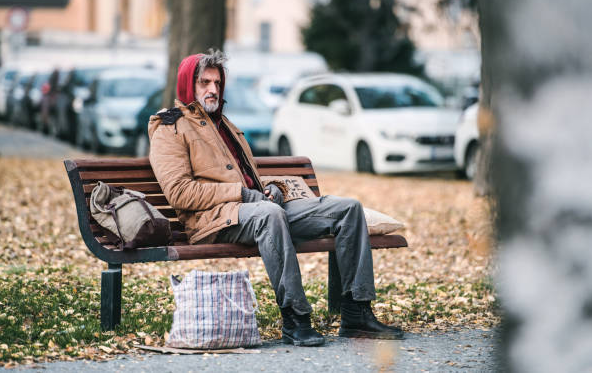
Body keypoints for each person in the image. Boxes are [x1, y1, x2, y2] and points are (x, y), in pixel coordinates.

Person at [148, 50, 404, 346]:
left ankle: (357, 312)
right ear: (186, 85)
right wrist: (242, 194)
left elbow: (246, 177)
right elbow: (180, 193)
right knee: (268, 216)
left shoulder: (224, 125)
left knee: (347, 209)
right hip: (214, 220)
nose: (213, 90)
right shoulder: (170, 127)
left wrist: (273, 190)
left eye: (217, 83)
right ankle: (295, 319)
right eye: (204, 82)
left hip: (254, 210)